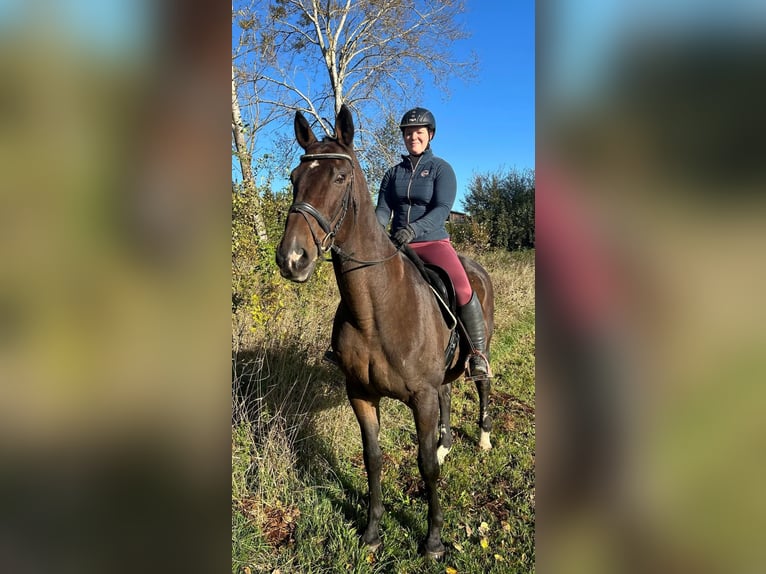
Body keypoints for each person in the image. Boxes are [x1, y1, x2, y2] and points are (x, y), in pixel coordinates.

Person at [374, 107, 489, 378]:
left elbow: (442, 209)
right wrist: (375, 231)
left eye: (419, 132)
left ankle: (477, 354)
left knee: (462, 287)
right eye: (408, 133)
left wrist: (413, 230)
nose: (413, 137)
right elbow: (382, 210)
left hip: (432, 242)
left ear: (430, 135)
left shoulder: (441, 169)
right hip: (396, 244)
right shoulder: (392, 174)